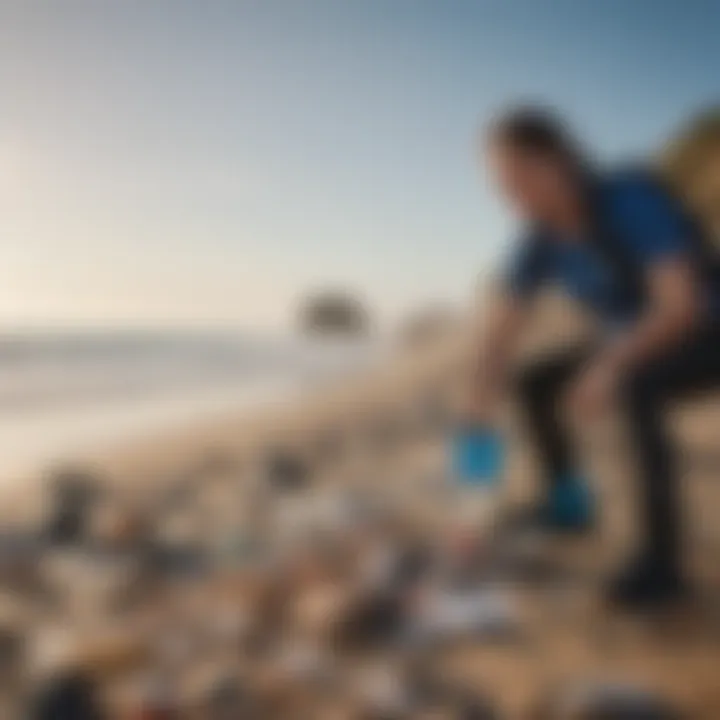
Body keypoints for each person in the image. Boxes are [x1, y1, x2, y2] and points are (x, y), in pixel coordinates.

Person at [471, 106, 720, 609]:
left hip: (703, 330)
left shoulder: (627, 198)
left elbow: (680, 306)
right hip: (632, 336)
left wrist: (609, 366)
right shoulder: (539, 241)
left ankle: (661, 567)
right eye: (503, 187)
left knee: (633, 382)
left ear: (558, 162)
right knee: (534, 382)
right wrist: (478, 402)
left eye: (519, 180)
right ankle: (570, 508)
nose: (512, 199)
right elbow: (502, 330)